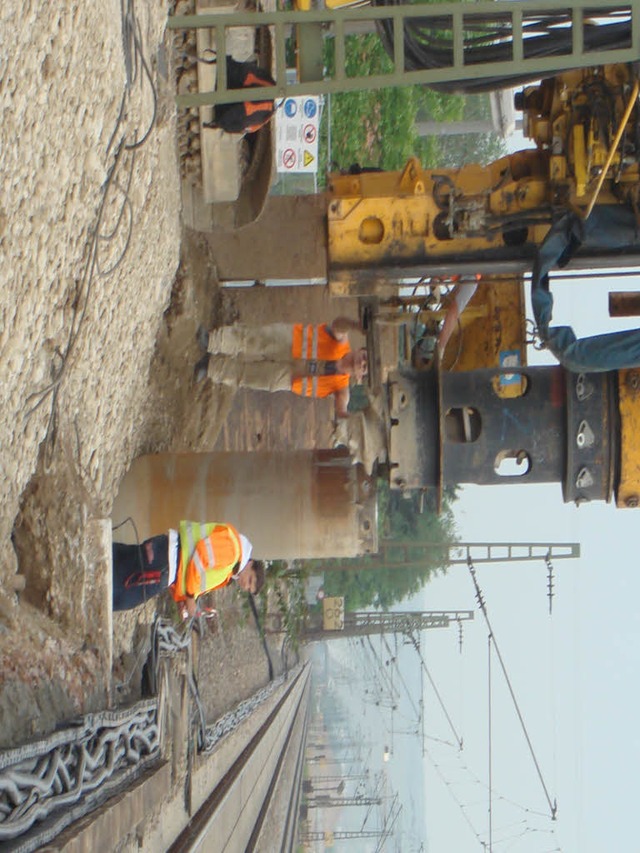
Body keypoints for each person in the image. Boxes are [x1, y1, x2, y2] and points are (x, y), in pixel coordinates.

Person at [195, 318, 367, 418]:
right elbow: (338, 325)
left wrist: (348, 418)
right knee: (251, 339)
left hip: (289, 378)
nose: (361, 362)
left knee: (247, 376)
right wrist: (354, 325)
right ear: (360, 350)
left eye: (364, 368)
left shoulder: (342, 390)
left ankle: (211, 367)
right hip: (291, 342)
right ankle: (212, 341)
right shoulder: (341, 342)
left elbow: (341, 409)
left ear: (359, 378)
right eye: (364, 357)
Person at [112, 520, 265, 613]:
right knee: (120, 596)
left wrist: (181, 598)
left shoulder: (229, 570)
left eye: (248, 589)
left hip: (165, 555)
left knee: (118, 560)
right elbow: (199, 557)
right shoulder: (232, 553)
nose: (245, 585)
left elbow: (190, 568)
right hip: (165, 565)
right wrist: (190, 598)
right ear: (250, 563)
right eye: (250, 580)